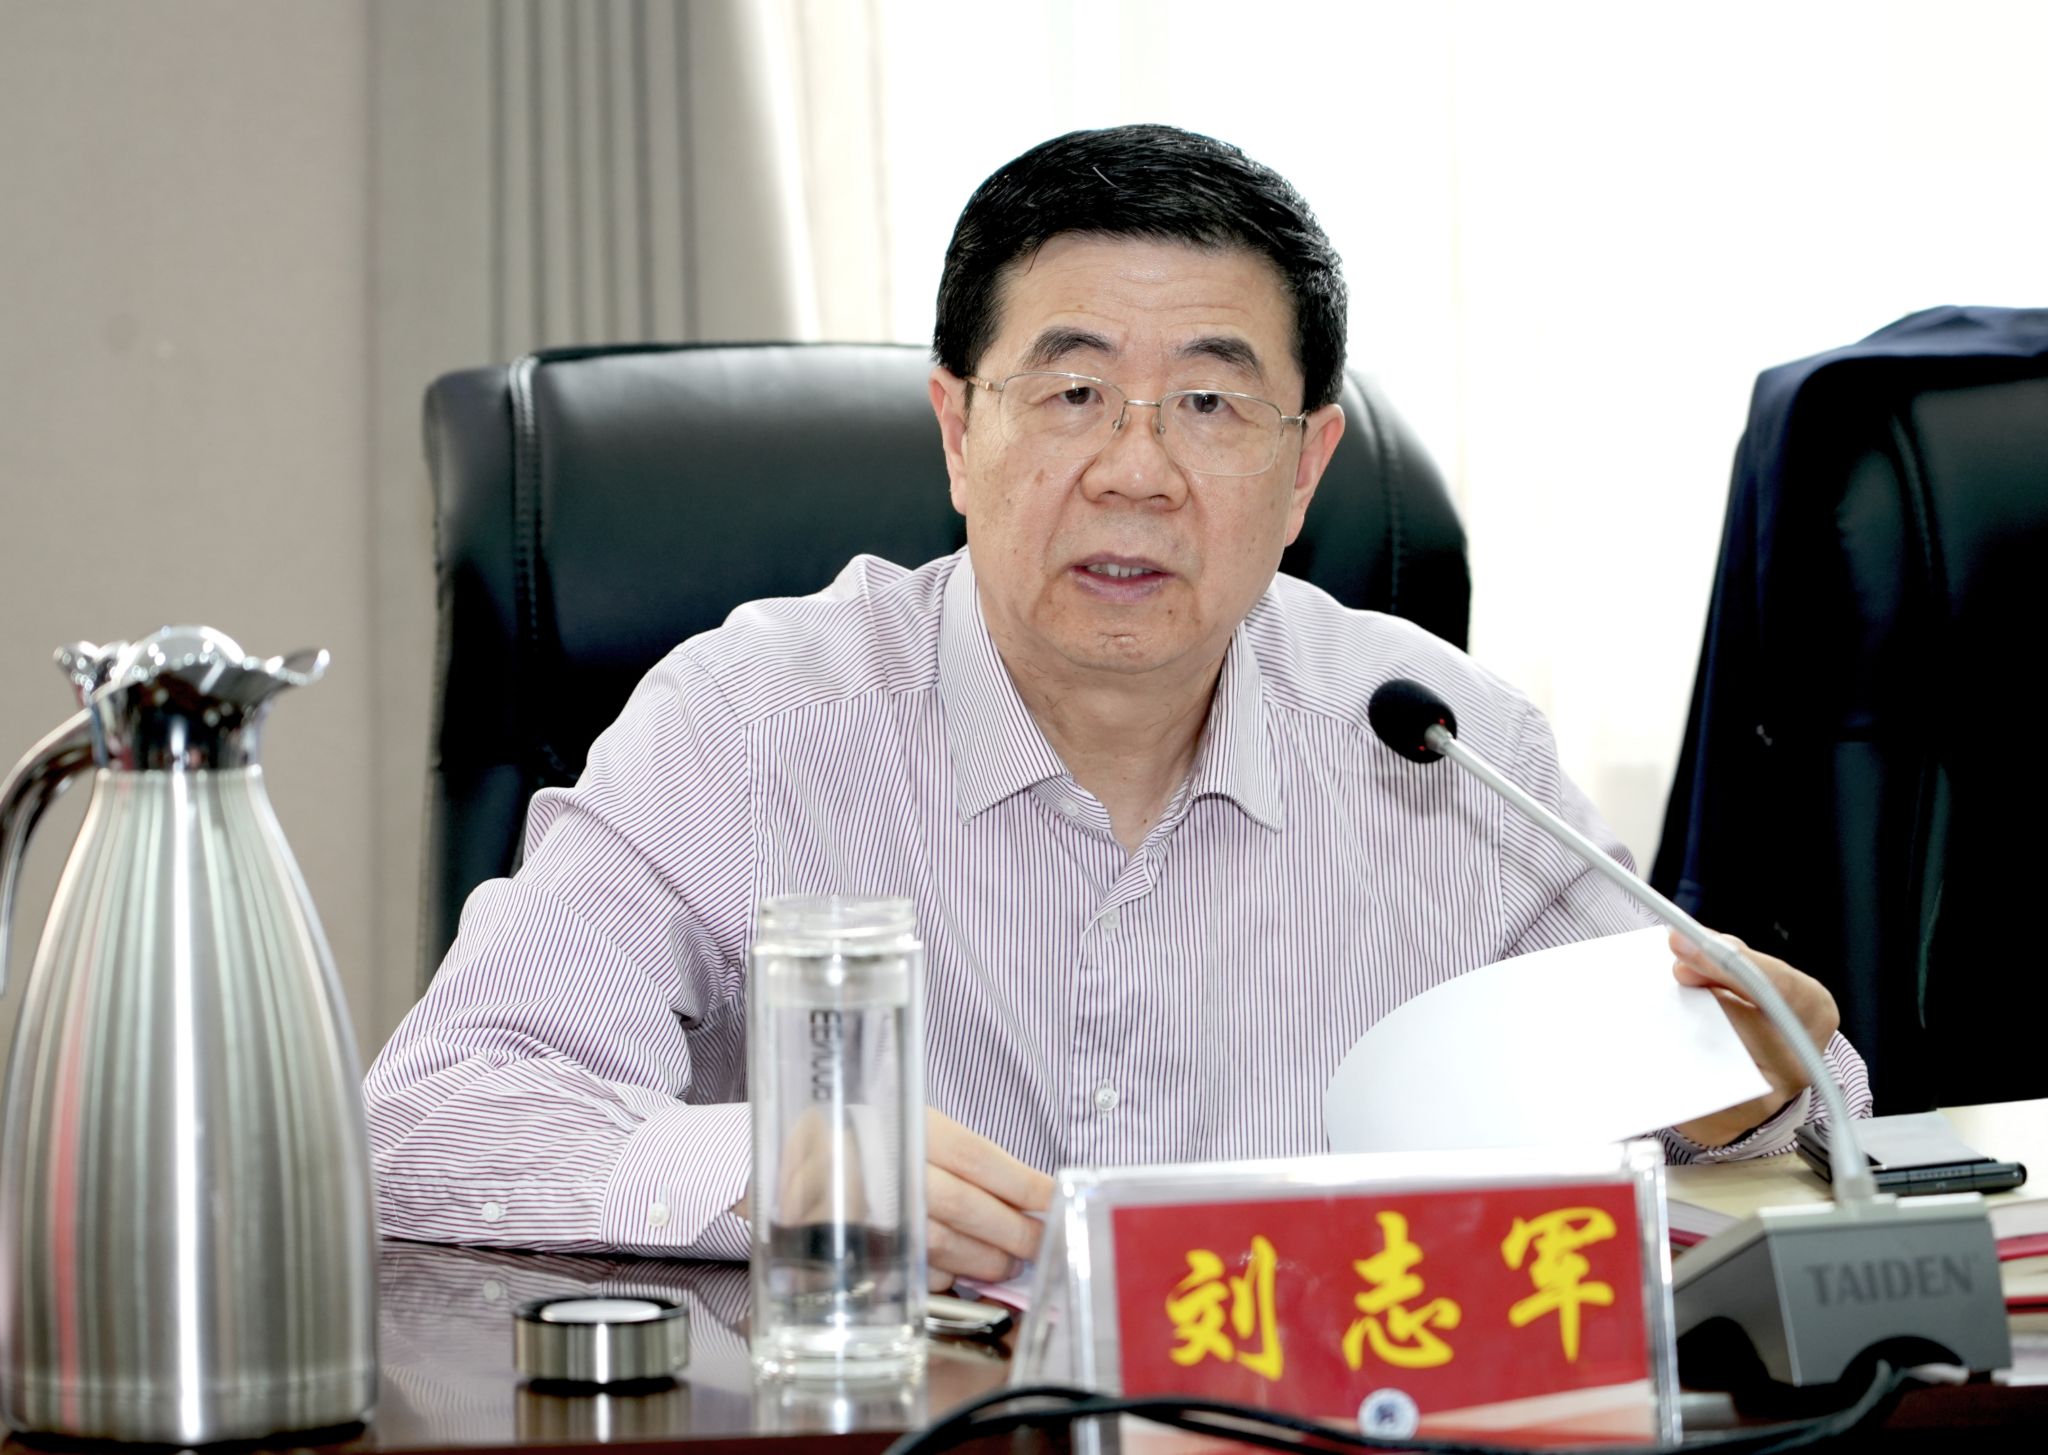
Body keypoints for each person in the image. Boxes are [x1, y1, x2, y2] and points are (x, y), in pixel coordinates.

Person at [364, 124, 1869, 1287]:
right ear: (957, 430)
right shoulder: (751, 726)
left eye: (1210, 404)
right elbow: (428, 1120)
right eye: (1071, 393)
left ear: (1305, 469)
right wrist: (781, 1168)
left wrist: (1740, 1090)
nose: (1135, 472)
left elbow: (1794, 1118)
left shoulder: (1444, 746)